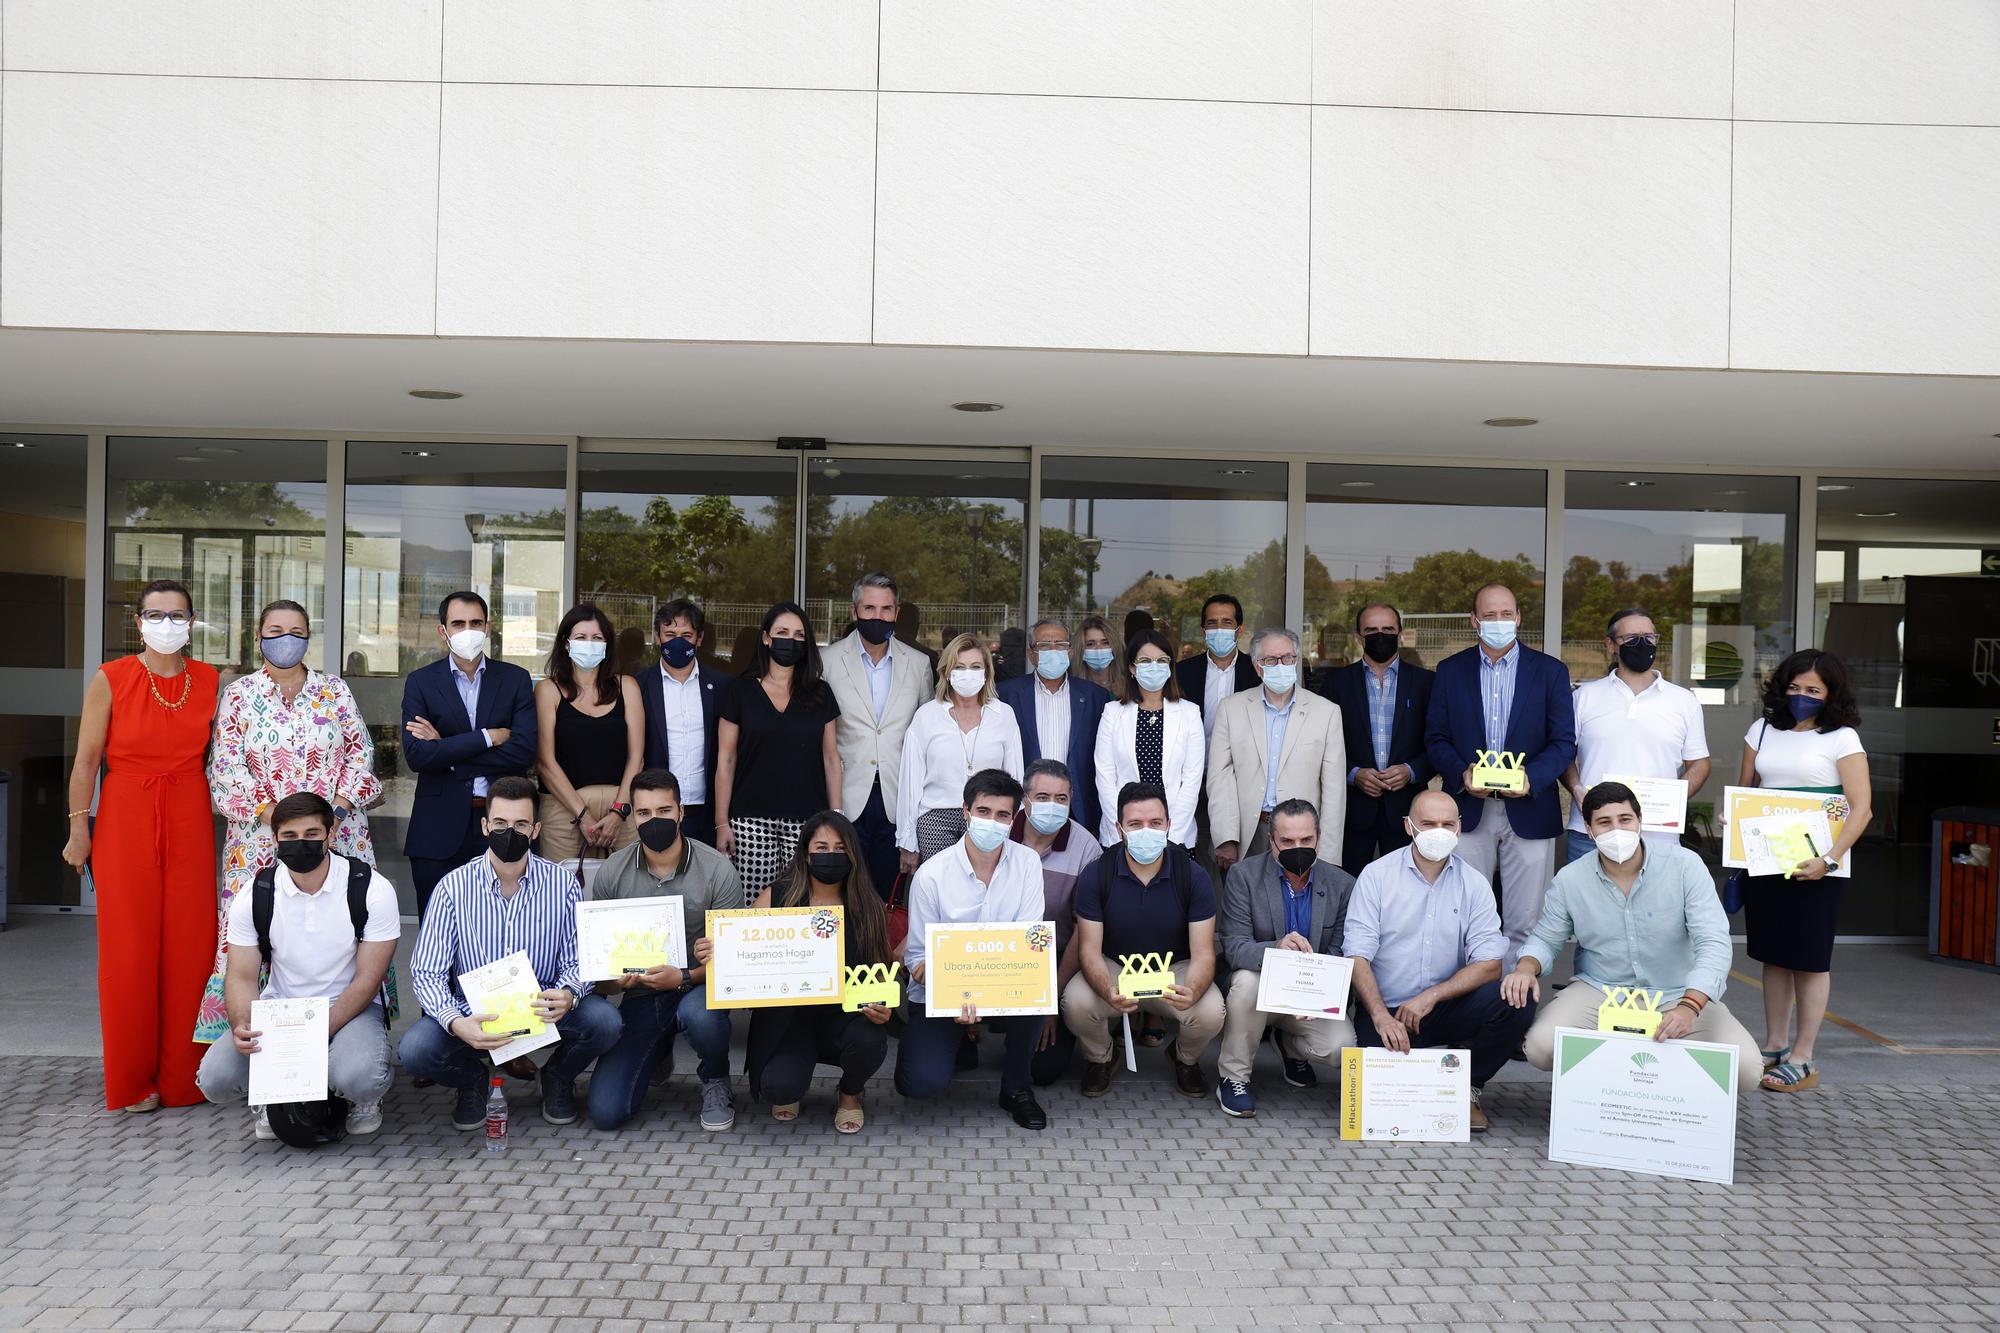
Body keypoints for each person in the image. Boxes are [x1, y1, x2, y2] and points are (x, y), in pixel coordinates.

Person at [62, 578, 221, 1112]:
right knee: (129, 953)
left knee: (191, 949)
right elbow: (86, 762)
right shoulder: (111, 679)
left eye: (178, 616)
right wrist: (79, 829)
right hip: (126, 817)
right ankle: (133, 1082)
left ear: (192, 623)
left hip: (189, 815)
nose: (167, 624)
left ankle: (185, 1079)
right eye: (156, 615)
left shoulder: (210, 680)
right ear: (138, 622)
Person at [201, 598, 382, 1044]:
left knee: (340, 929)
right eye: (276, 630)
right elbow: (225, 768)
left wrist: (332, 814)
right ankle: (256, 1051)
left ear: (308, 637)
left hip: (336, 836)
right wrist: (278, 820)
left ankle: (346, 1039)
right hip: (260, 841)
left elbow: (361, 756)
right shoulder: (240, 695)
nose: (286, 639)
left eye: (297, 631)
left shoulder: (335, 690)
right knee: (256, 934)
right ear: (259, 636)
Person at [1505, 782, 1761, 1095]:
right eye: (1604, 822)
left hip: (1677, 994)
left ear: (1639, 821)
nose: (1617, 829)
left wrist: (1690, 1006)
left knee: (1746, 1070)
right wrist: (1525, 968)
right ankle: (1614, 1094)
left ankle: (1665, 1095)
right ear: (1588, 829)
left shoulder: (1685, 867)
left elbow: (1714, 942)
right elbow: (1546, 938)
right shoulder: (1570, 879)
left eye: (1625, 819)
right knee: (1541, 1046)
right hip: (1602, 991)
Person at [398, 776, 621, 1130]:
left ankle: (558, 1077)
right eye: (500, 824)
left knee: (605, 1022)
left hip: (542, 1007)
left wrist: (569, 993)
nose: (510, 832)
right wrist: (455, 1021)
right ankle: (474, 1082)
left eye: (520, 824)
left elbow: (579, 957)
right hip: (475, 1011)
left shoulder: (562, 885)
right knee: (416, 1051)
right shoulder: (452, 888)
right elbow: (427, 972)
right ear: (485, 826)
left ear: (535, 830)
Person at [195, 792, 399, 1138]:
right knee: (215, 1080)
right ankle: (272, 1094)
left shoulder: (370, 889)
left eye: (311, 834)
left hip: (349, 1008)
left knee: (360, 1076)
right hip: (281, 1012)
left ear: (329, 835)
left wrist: (318, 1032)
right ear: (274, 838)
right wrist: (243, 1024)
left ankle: (359, 1098)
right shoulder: (255, 893)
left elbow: (367, 980)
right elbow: (242, 977)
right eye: (289, 836)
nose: (300, 843)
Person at [1343, 789, 1533, 1132]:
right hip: (1388, 1013)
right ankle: (1423, 1072)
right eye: (1428, 824)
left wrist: (1431, 996)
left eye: (1447, 824)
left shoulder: (1474, 884)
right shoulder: (1376, 876)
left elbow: (1490, 963)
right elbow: (1357, 955)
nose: (1438, 832)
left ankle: (1467, 1088)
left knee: (1517, 1000)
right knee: (1378, 1106)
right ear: (1408, 826)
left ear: (1459, 829)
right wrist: (1381, 1016)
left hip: (1445, 1006)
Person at [1737, 649, 1872, 1093]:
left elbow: (1862, 809)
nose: (1802, 696)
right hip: (1767, 859)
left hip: (1819, 863)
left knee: (1810, 960)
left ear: (1831, 694)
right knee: (1775, 955)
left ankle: (1804, 1055)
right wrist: (1732, 819)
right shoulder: (1761, 730)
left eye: (1813, 690)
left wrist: (1830, 859)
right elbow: (1748, 790)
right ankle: (1775, 1046)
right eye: (1794, 687)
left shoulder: (1842, 738)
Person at [1423, 581, 1576, 967]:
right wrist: (1461, 773)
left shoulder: (1550, 672)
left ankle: (1515, 1008)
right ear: (1475, 621)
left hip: (1529, 807)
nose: (1498, 621)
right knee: (1465, 915)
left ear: (1519, 617)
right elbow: (1435, 737)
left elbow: (1563, 742)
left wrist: (1531, 778)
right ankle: (1469, 1004)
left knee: (1525, 921)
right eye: (1489, 615)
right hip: (1469, 811)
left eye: (1506, 614)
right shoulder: (1450, 671)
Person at [583, 769, 743, 1132]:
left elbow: (734, 963)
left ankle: (716, 1078)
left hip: (700, 988)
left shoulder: (718, 871)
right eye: (643, 813)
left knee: (702, 1017)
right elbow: (600, 968)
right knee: (607, 1112)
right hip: (642, 994)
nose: (654, 820)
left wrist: (685, 975)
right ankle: (657, 1049)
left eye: (664, 811)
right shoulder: (613, 872)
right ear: (633, 818)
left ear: (681, 813)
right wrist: (614, 981)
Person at [897, 769, 1051, 1129]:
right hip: (941, 995)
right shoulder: (931, 875)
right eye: (983, 811)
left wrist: (987, 991)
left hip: (1007, 990)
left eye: (1002, 815)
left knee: (1038, 991)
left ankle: (1016, 1089)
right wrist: (956, 995)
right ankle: (949, 1045)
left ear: (1014, 819)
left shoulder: (1028, 864)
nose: (992, 822)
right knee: (920, 1083)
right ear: (965, 811)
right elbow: (917, 959)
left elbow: (1030, 945)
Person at [1064, 781, 1227, 1099]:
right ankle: (1102, 1057)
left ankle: (1184, 1058)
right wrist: (1106, 991)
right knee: (1076, 1001)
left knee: (1211, 1011)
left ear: (1169, 824)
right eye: (1135, 824)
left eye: (1155, 823)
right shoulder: (1097, 874)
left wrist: (1192, 989)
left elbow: (1205, 954)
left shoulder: (1192, 876)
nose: (1146, 831)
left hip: (1173, 972)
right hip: (1116, 969)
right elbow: (1088, 951)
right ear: (1119, 828)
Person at [733, 812, 894, 1132]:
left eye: (839, 848)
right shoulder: (776, 896)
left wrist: (884, 1005)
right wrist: (715, 952)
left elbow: (881, 971)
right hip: (790, 1020)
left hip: (846, 1016)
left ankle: (849, 1093)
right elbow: (740, 951)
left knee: (871, 1040)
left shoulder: (868, 905)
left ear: (852, 855)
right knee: (778, 1088)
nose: (830, 855)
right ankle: (795, 1076)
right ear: (805, 853)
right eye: (821, 847)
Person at [1214, 798, 1356, 1117]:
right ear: (1271, 840)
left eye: (1306, 840)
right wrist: (1276, 949)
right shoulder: (1244, 876)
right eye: (1287, 841)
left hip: (1310, 990)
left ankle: (1290, 1047)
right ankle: (1234, 1077)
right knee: (1246, 983)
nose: (1298, 847)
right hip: (1260, 983)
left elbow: (1340, 953)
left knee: (1339, 1049)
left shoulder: (1343, 885)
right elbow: (1234, 945)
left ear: (1318, 836)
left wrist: (1317, 996)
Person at [400, 591, 537, 918]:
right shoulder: (421, 682)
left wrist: (446, 751)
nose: (468, 630)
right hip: (437, 828)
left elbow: (524, 751)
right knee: (438, 930)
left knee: (501, 927)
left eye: (475, 623)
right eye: (458, 623)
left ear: (488, 628)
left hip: (504, 823)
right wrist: (488, 737)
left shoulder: (515, 679)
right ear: (442, 630)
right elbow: (418, 755)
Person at [715, 602, 843, 902]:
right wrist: (722, 822)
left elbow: (831, 758)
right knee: (754, 908)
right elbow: (726, 759)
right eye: (782, 632)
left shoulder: (820, 693)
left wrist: (836, 820)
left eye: (799, 634)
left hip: (807, 820)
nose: (791, 640)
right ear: (766, 638)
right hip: (750, 821)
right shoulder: (740, 691)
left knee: (801, 905)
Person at [1561, 607, 1710, 865]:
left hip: (1658, 834)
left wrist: (1674, 799)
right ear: (1611, 645)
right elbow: (1563, 754)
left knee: (1657, 906)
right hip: (1591, 832)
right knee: (1585, 905)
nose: (1642, 644)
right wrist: (1576, 790)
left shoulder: (1684, 701)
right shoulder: (1583, 697)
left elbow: (1699, 763)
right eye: (1631, 639)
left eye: (1649, 637)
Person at [822, 573, 932, 898]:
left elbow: (925, 736)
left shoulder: (919, 663)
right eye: (869, 608)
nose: (878, 616)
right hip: (845, 799)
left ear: (897, 613)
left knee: (889, 899)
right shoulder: (827, 662)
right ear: (854, 611)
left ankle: (882, 952)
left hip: (898, 801)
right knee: (844, 897)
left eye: (886, 609)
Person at [1207, 628, 1347, 873]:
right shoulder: (1231, 708)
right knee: (1247, 907)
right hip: (1249, 833)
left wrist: (1329, 853)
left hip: (1301, 836)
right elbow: (1220, 777)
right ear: (1257, 666)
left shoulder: (1327, 712)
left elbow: (1334, 790)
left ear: (1296, 661)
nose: (1280, 665)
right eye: (1270, 660)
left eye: (1287, 658)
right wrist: (1226, 837)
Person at [1316, 602, 1436, 875]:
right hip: (1352, 811)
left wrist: (1412, 770)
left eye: (1387, 629)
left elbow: (1439, 742)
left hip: (1408, 810)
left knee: (1406, 890)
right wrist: (1353, 774)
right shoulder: (1336, 683)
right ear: (1359, 637)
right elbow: (1320, 745)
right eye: (1371, 630)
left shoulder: (1427, 683)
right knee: (1346, 889)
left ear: (1400, 634)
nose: (1379, 636)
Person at [1010, 759, 1104, 1087]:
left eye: (1061, 799)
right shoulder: (998, 833)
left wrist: (1050, 999)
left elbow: (1084, 931)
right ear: (1025, 799)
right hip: (996, 954)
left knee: (1043, 1070)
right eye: (1043, 797)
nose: (1053, 806)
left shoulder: (1087, 849)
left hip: (1056, 960)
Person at [898, 633, 1024, 866]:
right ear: (946, 671)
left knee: (984, 889)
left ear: (987, 673)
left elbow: (1015, 776)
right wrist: (908, 841)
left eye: (975, 666)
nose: (968, 673)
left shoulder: (1003, 714)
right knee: (943, 894)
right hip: (936, 819)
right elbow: (910, 782)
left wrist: (1013, 827)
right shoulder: (927, 716)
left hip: (989, 818)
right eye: (960, 666)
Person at [535, 604, 644, 866]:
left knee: (627, 892)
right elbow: (545, 762)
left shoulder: (627, 686)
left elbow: (637, 757)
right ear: (565, 643)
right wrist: (582, 815)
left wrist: (619, 812)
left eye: (597, 638)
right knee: (563, 893)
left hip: (622, 804)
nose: (589, 644)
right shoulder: (547, 690)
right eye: (581, 637)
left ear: (607, 645)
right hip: (564, 808)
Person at [998, 618, 1113, 839]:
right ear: (1031, 654)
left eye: (1060, 645)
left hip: (1077, 809)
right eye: (1044, 645)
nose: (1053, 650)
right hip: (1024, 807)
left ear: (1070, 652)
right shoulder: (1007, 694)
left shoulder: (1094, 696)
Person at [1092, 629, 1204, 850]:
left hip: (1174, 834)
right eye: (1145, 660)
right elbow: (1104, 776)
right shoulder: (1113, 713)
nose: (1154, 666)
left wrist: (1170, 835)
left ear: (1170, 667)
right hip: (1123, 833)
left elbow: (1192, 780)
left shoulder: (1189, 713)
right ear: (1132, 668)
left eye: (1162, 660)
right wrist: (1125, 829)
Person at [636, 598, 727, 846]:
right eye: (670, 634)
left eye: (686, 634)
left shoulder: (721, 685)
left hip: (706, 809)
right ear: (657, 637)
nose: (678, 641)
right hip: (658, 809)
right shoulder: (639, 685)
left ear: (699, 638)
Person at [1175, 592, 1259, 742]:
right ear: (1203, 631)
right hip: (1195, 763)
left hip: (1240, 764)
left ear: (1239, 630)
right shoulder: (1181, 672)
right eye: (1212, 623)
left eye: (1227, 622)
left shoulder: (1257, 672)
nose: (1219, 628)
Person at [1075, 615, 1119, 691]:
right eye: (1090, 644)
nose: (1099, 648)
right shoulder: (1072, 687)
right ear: (1081, 648)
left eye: (1105, 643)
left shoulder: (1126, 687)